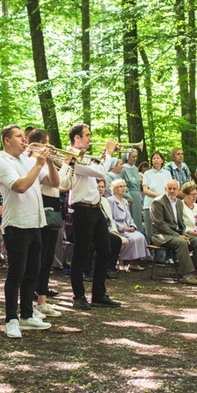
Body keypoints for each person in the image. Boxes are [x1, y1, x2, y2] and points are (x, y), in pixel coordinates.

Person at [0, 125, 60, 338]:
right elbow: (20, 186)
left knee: (33, 272)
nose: (25, 139)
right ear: (6, 141)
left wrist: (48, 161)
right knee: (16, 274)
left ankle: (27, 315)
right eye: (19, 136)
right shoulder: (2, 163)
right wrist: (39, 163)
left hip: (35, 223)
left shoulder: (28, 161)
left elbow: (56, 183)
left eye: (24, 136)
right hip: (17, 225)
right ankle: (11, 319)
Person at [62, 123, 121, 309]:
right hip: (82, 210)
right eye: (87, 135)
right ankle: (78, 296)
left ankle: (98, 294)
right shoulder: (72, 156)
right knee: (81, 253)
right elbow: (100, 173)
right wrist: (109, 153)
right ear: (77, 138)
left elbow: (97, 168)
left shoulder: (85, 156)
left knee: (105, 249)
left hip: (95, 209)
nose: (90, 138)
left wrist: (106, 154)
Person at [150, 179, 197, 285]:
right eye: (169, 188)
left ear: (178, 190)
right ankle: (187, 275)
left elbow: (181, 223)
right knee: (181, 242)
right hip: (161, 235)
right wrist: (178, 235)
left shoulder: (179, 203)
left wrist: (183, 234)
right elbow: (160, 224)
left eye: (174, 188)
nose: (172, 191)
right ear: (165, 189)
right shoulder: (158, 202)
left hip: (177, 233)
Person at [27, 128, 63, 316]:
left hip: (53, 207)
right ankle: (32, 301)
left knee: (48, 258)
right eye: (46, 141)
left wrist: (56, 163)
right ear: (36, 144)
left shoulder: (46, 162)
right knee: (39, 258)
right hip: (40, 207)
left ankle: (42, 300)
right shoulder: (31, 162)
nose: (50, 145)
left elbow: (60, 184)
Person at [108, 179, 149, 271]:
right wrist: (124, 228)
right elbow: (111, 219)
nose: (123, 188)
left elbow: (129, 217)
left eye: (124, 186)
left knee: (141, 237)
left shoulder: (125, 201)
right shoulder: (110, 201)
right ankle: (121, 262)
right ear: (114, 189)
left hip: (127, 227)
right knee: (132, 239)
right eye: (121, 186)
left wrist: (132, 226)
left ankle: (133, 263)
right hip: (118, 229)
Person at [142, 151, 172, 242]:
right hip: (150, 205)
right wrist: (159, 196)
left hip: (164, 205)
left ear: (162, 160)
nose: (155, 160)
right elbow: (145, 190)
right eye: (153, 158)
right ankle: (150, 254)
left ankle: (163, 255)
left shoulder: (167, 173)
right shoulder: (147, 173)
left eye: (158, 158)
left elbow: (170, 188)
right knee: (149, 230)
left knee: (163, 229)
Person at [121, 149, 144, 233]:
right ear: (127, 157)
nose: (135, 158)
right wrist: (127, 196)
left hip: (137, 195)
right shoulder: (123, 168)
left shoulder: (135, 169)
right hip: (129, 195)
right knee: (131, 216)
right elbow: (122, 183)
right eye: (132, 157)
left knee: (138, 217)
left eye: (136, 157)